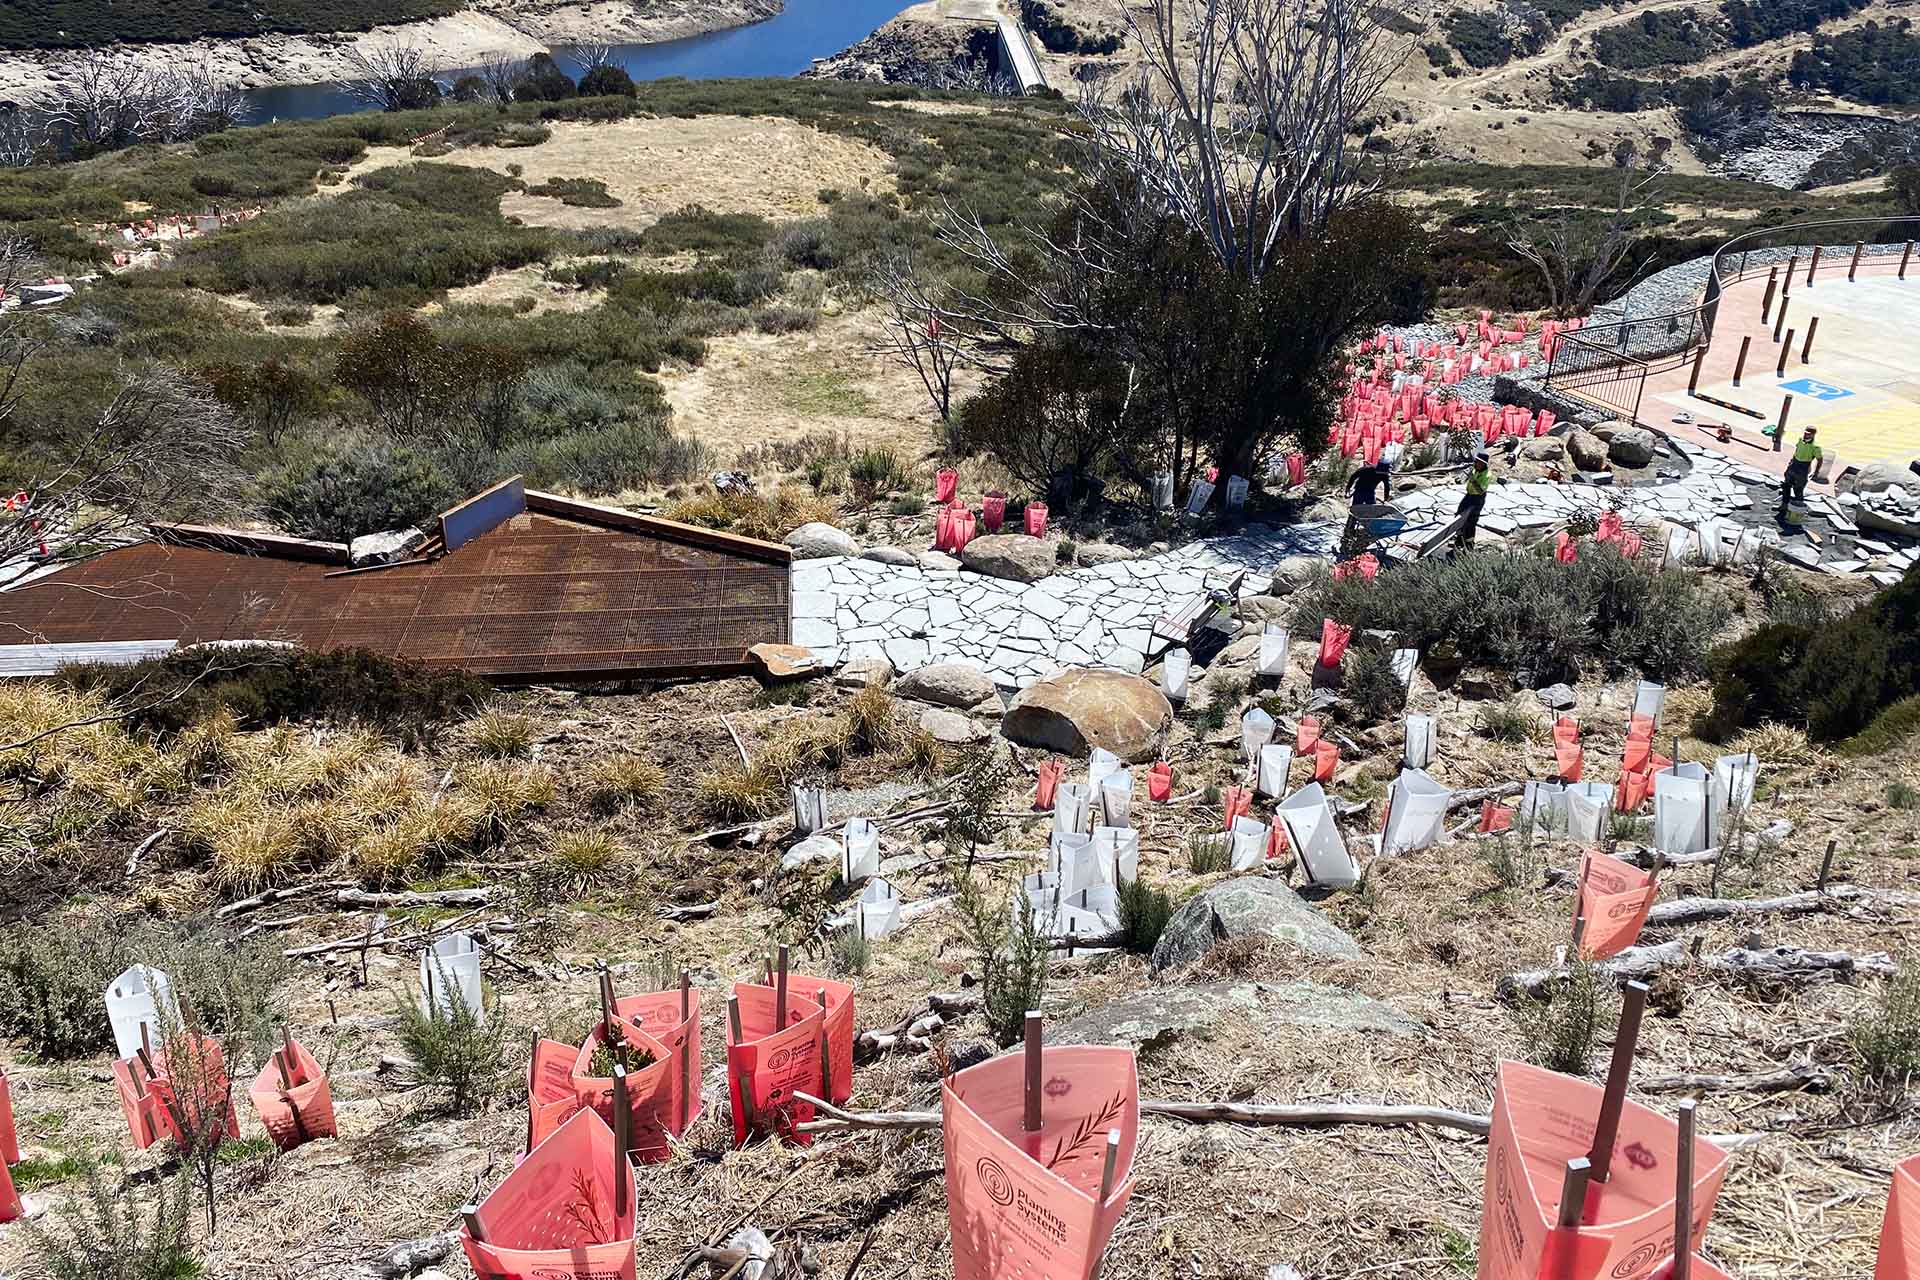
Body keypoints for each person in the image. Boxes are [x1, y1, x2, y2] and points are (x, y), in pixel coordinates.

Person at [1778, 426, 1821, 519]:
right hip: (1794, 465)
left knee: (1798, 489)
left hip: (1803, 468)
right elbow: (1797, 449)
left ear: (1813, 435)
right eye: (1805, 433)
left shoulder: (1815, 447)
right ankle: (1784, 506)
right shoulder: (1800, 440)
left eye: (1808, 434)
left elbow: (1819, 459)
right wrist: (1791, 461)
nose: (1805, 435)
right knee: (1786, 485)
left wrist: (1816, 472)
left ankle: (1797, 511)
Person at [1456, 450, 1493, 548]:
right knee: (1459, 514)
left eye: (1477, 462)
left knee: (1471, 521)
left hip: (1477, 499)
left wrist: (1473, 480)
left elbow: (1481, 490)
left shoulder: (1487, 475)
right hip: (1469, 495)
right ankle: (1459, 538)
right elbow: (1467, 475)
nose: (1475, 463)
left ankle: (1469, 542)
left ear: (1482, 464)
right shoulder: (1475, 469)